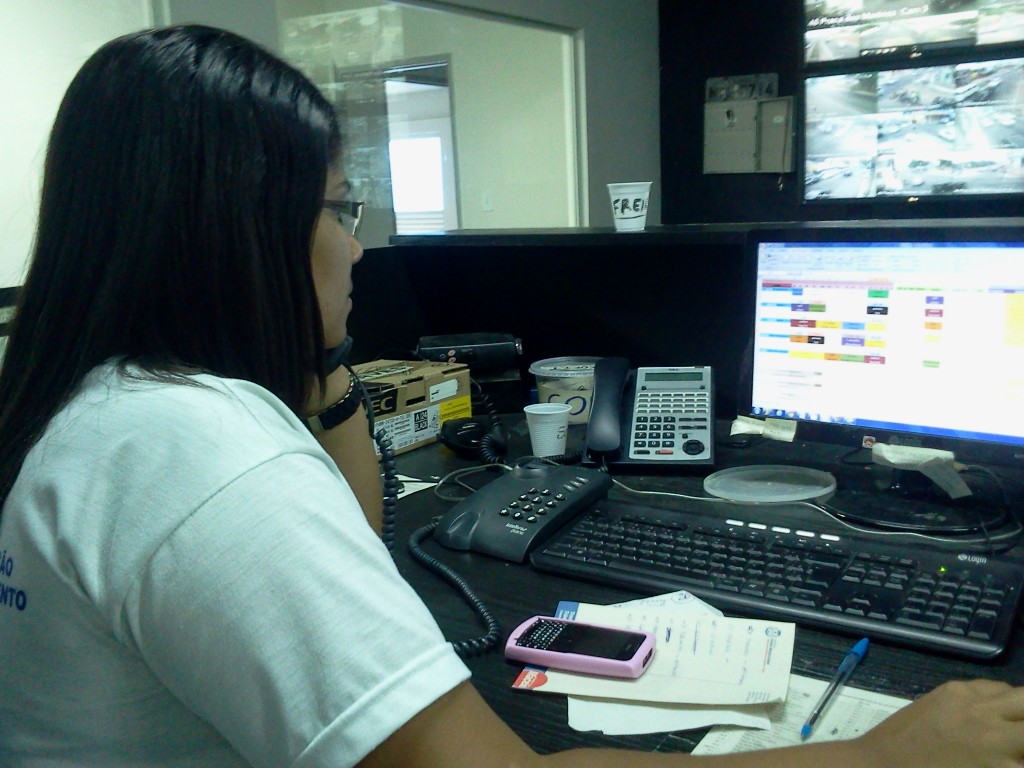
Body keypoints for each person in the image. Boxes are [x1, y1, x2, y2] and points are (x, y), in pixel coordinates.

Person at [0, 24, 1022, 768]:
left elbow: (353, 543)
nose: (358, 246)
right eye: (341, 208)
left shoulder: (101, 410)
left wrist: (322, 350)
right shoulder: (209, 461)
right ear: (245, 231)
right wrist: (881, 756)